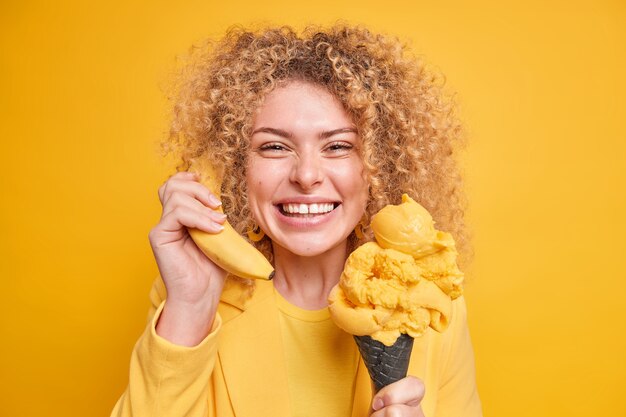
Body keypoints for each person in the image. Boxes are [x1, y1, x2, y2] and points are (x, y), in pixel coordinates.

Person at [112, 24, 482, 417]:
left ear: (378, 167)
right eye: (274, 147)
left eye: (338, 146)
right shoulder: (197, 301)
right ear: (237, 168)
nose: (306, 176)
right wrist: (189, 306)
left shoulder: (433, 310)